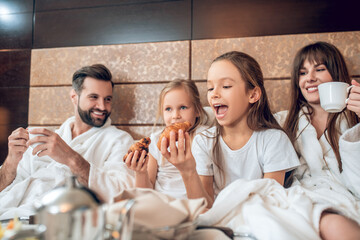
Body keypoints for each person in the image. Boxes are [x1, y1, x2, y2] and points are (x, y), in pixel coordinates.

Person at [164, 51, 300, 208]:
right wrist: (187, 171)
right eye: (210, 88)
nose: (214, 94)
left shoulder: (274, 140)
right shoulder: (204, 141)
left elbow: (269, 203)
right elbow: (204, 207)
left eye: (226, 86)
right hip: (219, 221)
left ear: (253, 94)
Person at [0, 64, 135, 220]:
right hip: (12, 217)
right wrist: (11, 161)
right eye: (94, 97)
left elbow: (120, 194)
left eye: (108, 99)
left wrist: (70, 158)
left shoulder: (119, 140)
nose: (102, 106)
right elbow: (5, 187)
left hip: (62, 220)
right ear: (74, 97)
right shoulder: (48, 138)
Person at [277, 41, 360, 240]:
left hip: (349, 199)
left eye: (319, 69)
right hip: (302, 199)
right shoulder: (282, 122)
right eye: (302, 73)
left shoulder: (354, 118)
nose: (310, 79)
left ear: (337, 74)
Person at [124, 79, 209, 199]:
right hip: (161, 204)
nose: (175, 115)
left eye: (183, 107)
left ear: (198, 110)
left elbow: (207, 195)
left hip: (192, 204)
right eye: (168, 109)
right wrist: (140, 172)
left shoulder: (205, 136)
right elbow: (146, 192)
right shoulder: (157, 140)